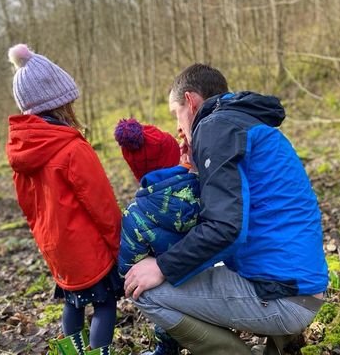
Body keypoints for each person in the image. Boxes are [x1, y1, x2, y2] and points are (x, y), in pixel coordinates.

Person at [123, 64, 328, 355]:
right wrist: (198, 168)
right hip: (304, 284)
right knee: (203, 264)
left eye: (176, 114)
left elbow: (225, 228)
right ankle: (279, 346)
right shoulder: (245, 123)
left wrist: (161, 266)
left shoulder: (214, 127)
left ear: (191, 102)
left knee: (145, 291)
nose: (178, 128)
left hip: (284, 296)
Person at [6, 44, 122, 355]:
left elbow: (28, 208)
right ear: (62, 103)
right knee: (104, 304)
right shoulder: (72, 148)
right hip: (89, 249)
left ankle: (71, 353)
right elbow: (102, 204)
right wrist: (117, 242)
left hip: (56, 249)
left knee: (72, 303)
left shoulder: (21, 152)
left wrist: (47, 241)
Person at [114, 118, 200, 355]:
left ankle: (168, 346)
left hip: (171, 294)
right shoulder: (207, 188)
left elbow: (128, 268)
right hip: (217, 289)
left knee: (142, 287)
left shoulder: (135, 214)